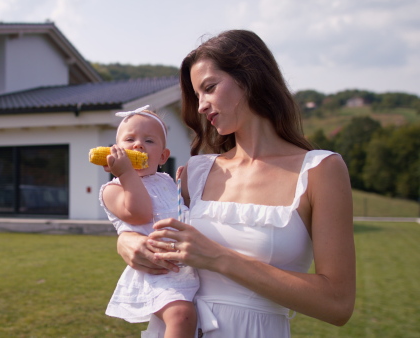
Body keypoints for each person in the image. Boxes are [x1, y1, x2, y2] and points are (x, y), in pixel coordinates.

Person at [116, 30, 356, 337]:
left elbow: (338, 305)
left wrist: (217, 257)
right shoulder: (195, 173)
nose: (201, 106)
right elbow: (145, 220)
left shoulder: (320, 170)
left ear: (249, 77)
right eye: (197, 95)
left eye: (210, 88)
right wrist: (127, 242)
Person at [100, 105, 200, 338]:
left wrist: (185, 184)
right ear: (114, 151)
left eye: (149, 141)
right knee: (181, 315)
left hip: (188, 265)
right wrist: (126, 173)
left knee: (197, 319)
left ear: (163, 156)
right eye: (129, 139)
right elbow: (141, 214)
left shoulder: (167, 182)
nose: (138, 145)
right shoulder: (113, 189)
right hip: (157, 270)